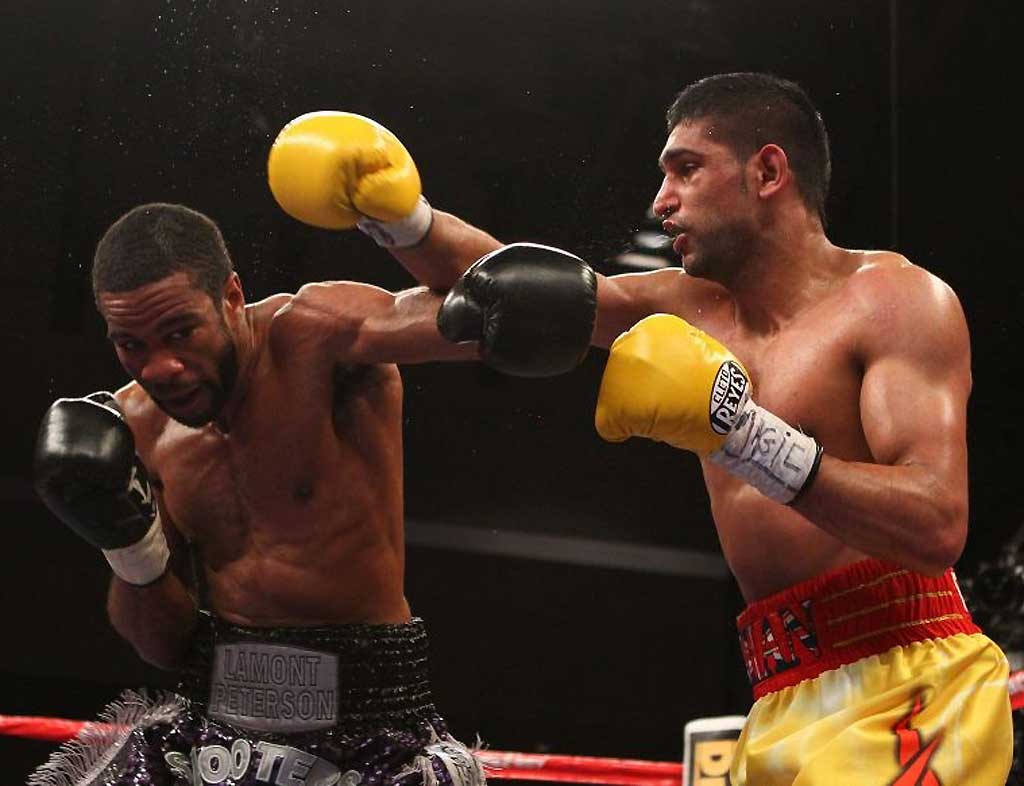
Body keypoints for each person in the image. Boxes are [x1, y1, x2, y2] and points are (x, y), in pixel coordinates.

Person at [267, 74, 1014, 785]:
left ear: (768, 171)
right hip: (782, 692)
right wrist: (402, 217)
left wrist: (746, 434)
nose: (662, 201)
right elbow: (517, 292)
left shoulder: (894, 299)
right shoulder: (684, 307)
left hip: (913, 678)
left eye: (686, 169)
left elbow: (935, 522)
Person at [31, 202, 596, 785]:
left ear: (229, 296)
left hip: (372, 728)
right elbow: (162, 646)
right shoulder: (136, 425)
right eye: (131, 344)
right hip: (215, 723)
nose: (162, 367)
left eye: (179, 332)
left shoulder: (314, 336)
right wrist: (128, 546)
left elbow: (510, 302)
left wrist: (409, 222)